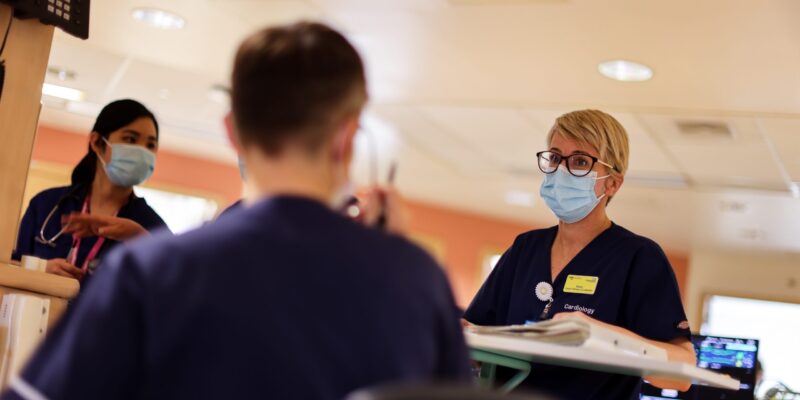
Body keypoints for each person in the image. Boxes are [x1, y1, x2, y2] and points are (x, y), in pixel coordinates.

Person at [3, 22, 470, 400]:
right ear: (348, 137)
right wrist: (392, 262)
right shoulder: (418, 282)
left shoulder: (150, 271)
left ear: (232, 131)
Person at [463, 110, 696, 399]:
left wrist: (601, 336)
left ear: (612, 183)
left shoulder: (638, 258)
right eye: (555, 158)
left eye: (581, 162)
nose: (561, 171)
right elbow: (477, 346)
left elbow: (682, 372)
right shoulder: (525, 249)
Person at [11, 99, 169, 282]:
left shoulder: (152, 228)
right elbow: (10, 267)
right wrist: (40, 269)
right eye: (130, 139)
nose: (141, 151)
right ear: (97, 142)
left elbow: (172, 286)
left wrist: (140, 239)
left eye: (150, 145)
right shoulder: (47, 204)